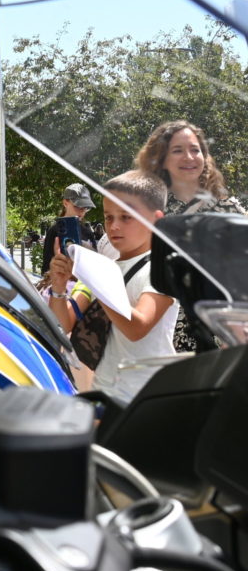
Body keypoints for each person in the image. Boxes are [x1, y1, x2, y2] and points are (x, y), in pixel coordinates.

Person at [46, 172, 179, 403]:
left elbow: (136, 328)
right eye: (108, 217)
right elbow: (65, 322)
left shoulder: (162, 269)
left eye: (126, 217)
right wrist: (58, 287)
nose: (114, 226)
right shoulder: (105, 268)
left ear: (156, 219)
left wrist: (98, 282)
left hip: (146, 397)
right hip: (105, 392)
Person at [135, 120, 245, 352]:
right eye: (178, 150)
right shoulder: (146, 211)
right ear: (161, 158)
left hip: (223, 331)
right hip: (161, 332)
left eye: (195, 150)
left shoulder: (228, 209)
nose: (189, 157)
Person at [41, 183, 98, 272]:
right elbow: (46, 267)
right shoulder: (55, 231)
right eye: (77, 206)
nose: (82, 211)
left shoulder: (88, 232)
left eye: (86, 207)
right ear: (65, 203)